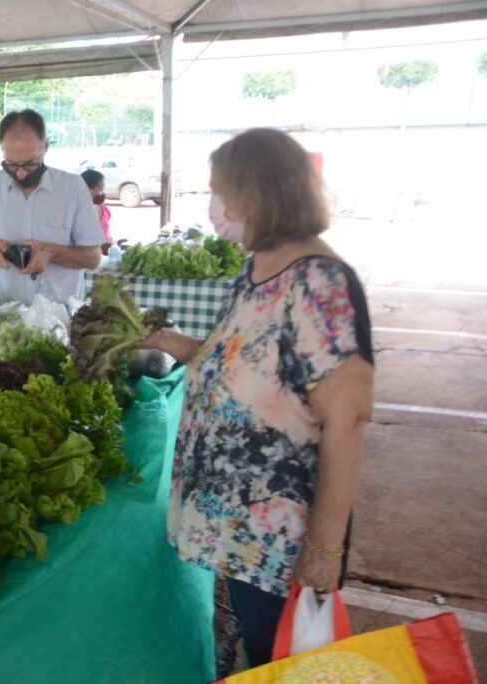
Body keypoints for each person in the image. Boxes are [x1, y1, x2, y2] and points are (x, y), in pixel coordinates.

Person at [140, 129, 375, 667]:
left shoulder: (321, 283)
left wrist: (323, 549)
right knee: (259, 645)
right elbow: (235, 362)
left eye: (222, 193)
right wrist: (163, 340)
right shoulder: (254, 268)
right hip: (238, 526)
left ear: (260, 194)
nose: (214, 208)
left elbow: (348, 421)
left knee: (285, 657)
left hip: (282, 538)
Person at [0, 109, 103, 305]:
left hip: (58, 317)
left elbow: (93, 258)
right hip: (3, 317)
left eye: (30, 165)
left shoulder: (72, 188)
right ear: (2, 150)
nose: (20, 174)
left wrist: (52, 253)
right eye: (11, 165)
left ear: (45, 147)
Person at [80, 168, 112, 254]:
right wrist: (104, 247)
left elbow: (107, 233)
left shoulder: (103, 209)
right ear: (86, 189)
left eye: (102, 190)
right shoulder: (78, 213)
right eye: (99, 190)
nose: (101, 194)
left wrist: (115, 244)